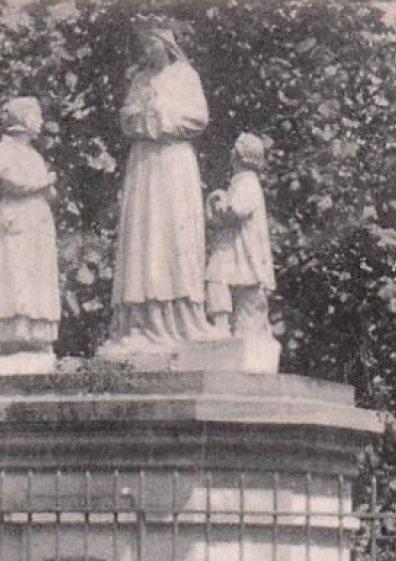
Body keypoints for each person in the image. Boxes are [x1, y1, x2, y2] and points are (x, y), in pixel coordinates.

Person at [105, 20, 220, 354]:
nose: (147, 50)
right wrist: (139, 116)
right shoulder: (140, 79)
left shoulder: (186, 76)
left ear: (167, 45)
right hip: (144, 164)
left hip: (173, 161)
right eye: (144, 45)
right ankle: (141, 319)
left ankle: (182, 316)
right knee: (144, 235)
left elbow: (197, 117)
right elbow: (126, 116)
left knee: (173, 235)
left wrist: (159, 113)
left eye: (152, 44)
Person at [0, 95, 60, 358]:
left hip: (37, 220)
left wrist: (46, 185)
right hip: (14, 217)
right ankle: (2, 338)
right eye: (36, 115)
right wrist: (44, 182)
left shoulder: (33, 155)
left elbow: (49, 192)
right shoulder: (4, 149)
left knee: (37, 277)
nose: (41, 121)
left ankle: (37, 336)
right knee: (10, 275)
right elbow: (11, 182)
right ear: (23, 119)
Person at [205, 132, 276, 354]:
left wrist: (218, 199)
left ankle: (223, 327)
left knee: (218, 278)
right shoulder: (242, 182)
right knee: (218, 280)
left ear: (238, 155)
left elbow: (236, 209)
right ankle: (223, 326)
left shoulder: (247, 183)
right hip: (232, 246)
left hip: (242, 249)